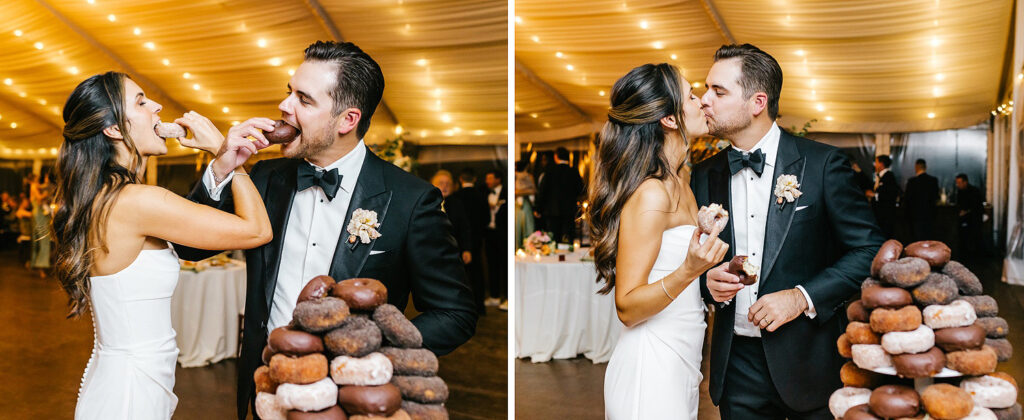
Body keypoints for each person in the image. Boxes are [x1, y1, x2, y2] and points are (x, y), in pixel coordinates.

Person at [170, 41, 478, 420]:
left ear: (347, 120)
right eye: (289, 92)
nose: (284, 107)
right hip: (265, 391)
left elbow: (454, 312)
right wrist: (222, 169)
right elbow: (189, 248)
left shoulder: (410, 200)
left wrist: (366, 352)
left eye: (304, 99)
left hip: (352, 402)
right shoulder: (263, 179)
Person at [54, 71, 273, 419]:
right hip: (131, 391)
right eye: (140, 102)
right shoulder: (136, 201)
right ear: (113, 129)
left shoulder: (107, 197)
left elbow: (186, 229)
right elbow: (257, 230)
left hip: (128, 379)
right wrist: (228, 152)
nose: (156, 106)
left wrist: (222, 164)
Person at [695, 44, 884, 420]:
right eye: (706, 89)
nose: (704, 100)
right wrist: (707, 283)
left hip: (810, 361)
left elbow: (869, 251)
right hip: (736, 366)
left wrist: (801, 297)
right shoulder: (705, 173)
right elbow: (697, 258)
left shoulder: (822, 164)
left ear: (757, 102)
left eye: (718, 91)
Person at [593, 63, 729, 419]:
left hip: (682, 358)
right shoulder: (652, 193)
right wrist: (689, 269)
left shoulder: (681, 182)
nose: (703, 102)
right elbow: (627, 308)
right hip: (650, 364)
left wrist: (707, 268)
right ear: (669, 118)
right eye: (692, 96)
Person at [451, 168, 489, 314]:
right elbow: (486, 218)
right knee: (477, 272)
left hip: (457, 239)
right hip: (477, 238)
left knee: (458, 274)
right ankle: (479, 306)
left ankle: (460, 307)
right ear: (474, 179)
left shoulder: (455, 197)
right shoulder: (481, 195)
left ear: (460, 179)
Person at [535, 147, 584, 243]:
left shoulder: (549, 171)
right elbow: (581, 190)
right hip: (569, 210)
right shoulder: (573, 171)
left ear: (556, 157)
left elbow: (543, 191)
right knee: (569, 237)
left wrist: (538, 209)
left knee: (554, 238)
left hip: (553, 210)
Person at [431, 169, 473, 269]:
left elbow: (464, 228)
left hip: (453, 253)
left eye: (448, 184)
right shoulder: (427, 203)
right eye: (441, 183)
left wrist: (467, 249)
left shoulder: (457, 204)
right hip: (432, 253)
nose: (444, 186)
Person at [483, 170, 508, 310]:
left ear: (498, 179)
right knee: (492, 265)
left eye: (490, 178)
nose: (487, 181)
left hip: (503, 233)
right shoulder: (484, 193)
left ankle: (508, 298)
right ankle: (494, 296)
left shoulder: (507, 192)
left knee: (505, 265)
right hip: (489, 233)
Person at [903, 159, 940, 241]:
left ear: (916, 167)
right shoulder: (933, 180)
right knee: (929, 238)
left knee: (917, 239)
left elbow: (907, 199)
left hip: (915, 215)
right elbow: (936, 197)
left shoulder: (912, 182)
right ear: (925, 167)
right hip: (930, 215)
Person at [869, 154, 900, 238]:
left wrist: (874, 194)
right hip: (881, 215)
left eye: (876, 162)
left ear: (881, 164)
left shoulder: (889, 176)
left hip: (885, 215)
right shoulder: (881, 176)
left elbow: (889, 194)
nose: (875, 165)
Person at [954, 173, 984, 259]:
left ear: (965, 182)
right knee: (963, 238)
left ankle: (977, 257)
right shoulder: (960, 192)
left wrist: (966, 211)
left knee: (975, 238)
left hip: (974, 219)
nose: (957, 185)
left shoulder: (975, 191)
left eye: (959, 183)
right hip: (964, 219)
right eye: (957, 183)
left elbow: (977, 207)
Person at [29, 173, 53, 278]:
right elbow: (39, 198)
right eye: (38, 179)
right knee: (44, 239)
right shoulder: (34, 186)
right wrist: (46, 194)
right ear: (34, 179)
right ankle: (41, 266)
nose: (39, 181)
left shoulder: (36, 186)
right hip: (39, 215)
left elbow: (43, 187)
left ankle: (34, 263)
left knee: (37, 240)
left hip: (37, 214)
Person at [514, 160, 537, 248]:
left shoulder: (529, 176)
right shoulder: (515, 176)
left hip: (526, 203)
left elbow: (534, 190)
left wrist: (520, 192)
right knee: (518, 228)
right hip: (518, 204)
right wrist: (527, 191)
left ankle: (528, 247)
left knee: (528, 226)